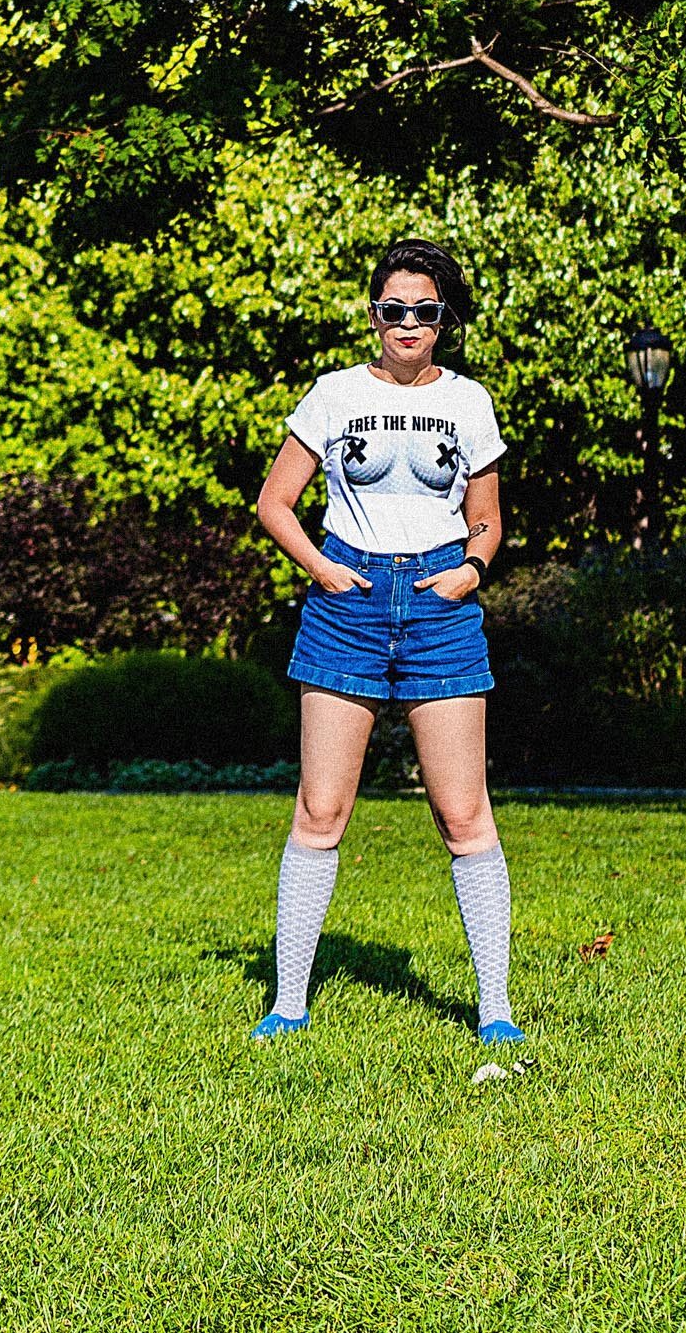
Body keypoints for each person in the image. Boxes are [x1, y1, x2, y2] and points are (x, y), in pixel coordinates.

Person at [250, 236, 523, 1047]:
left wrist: (471, 570)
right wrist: (323, 569)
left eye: (426, 310)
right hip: (350, 603)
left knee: (464, 813)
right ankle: (288, 1002)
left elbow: (488, 512)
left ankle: (496, 1011)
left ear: (444, 319)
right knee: (321, 808)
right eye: (394, 308)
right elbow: (275, 502)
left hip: (440, 604)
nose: (409, 322)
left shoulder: (469, 401)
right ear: (374, 314)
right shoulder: (332, 394)